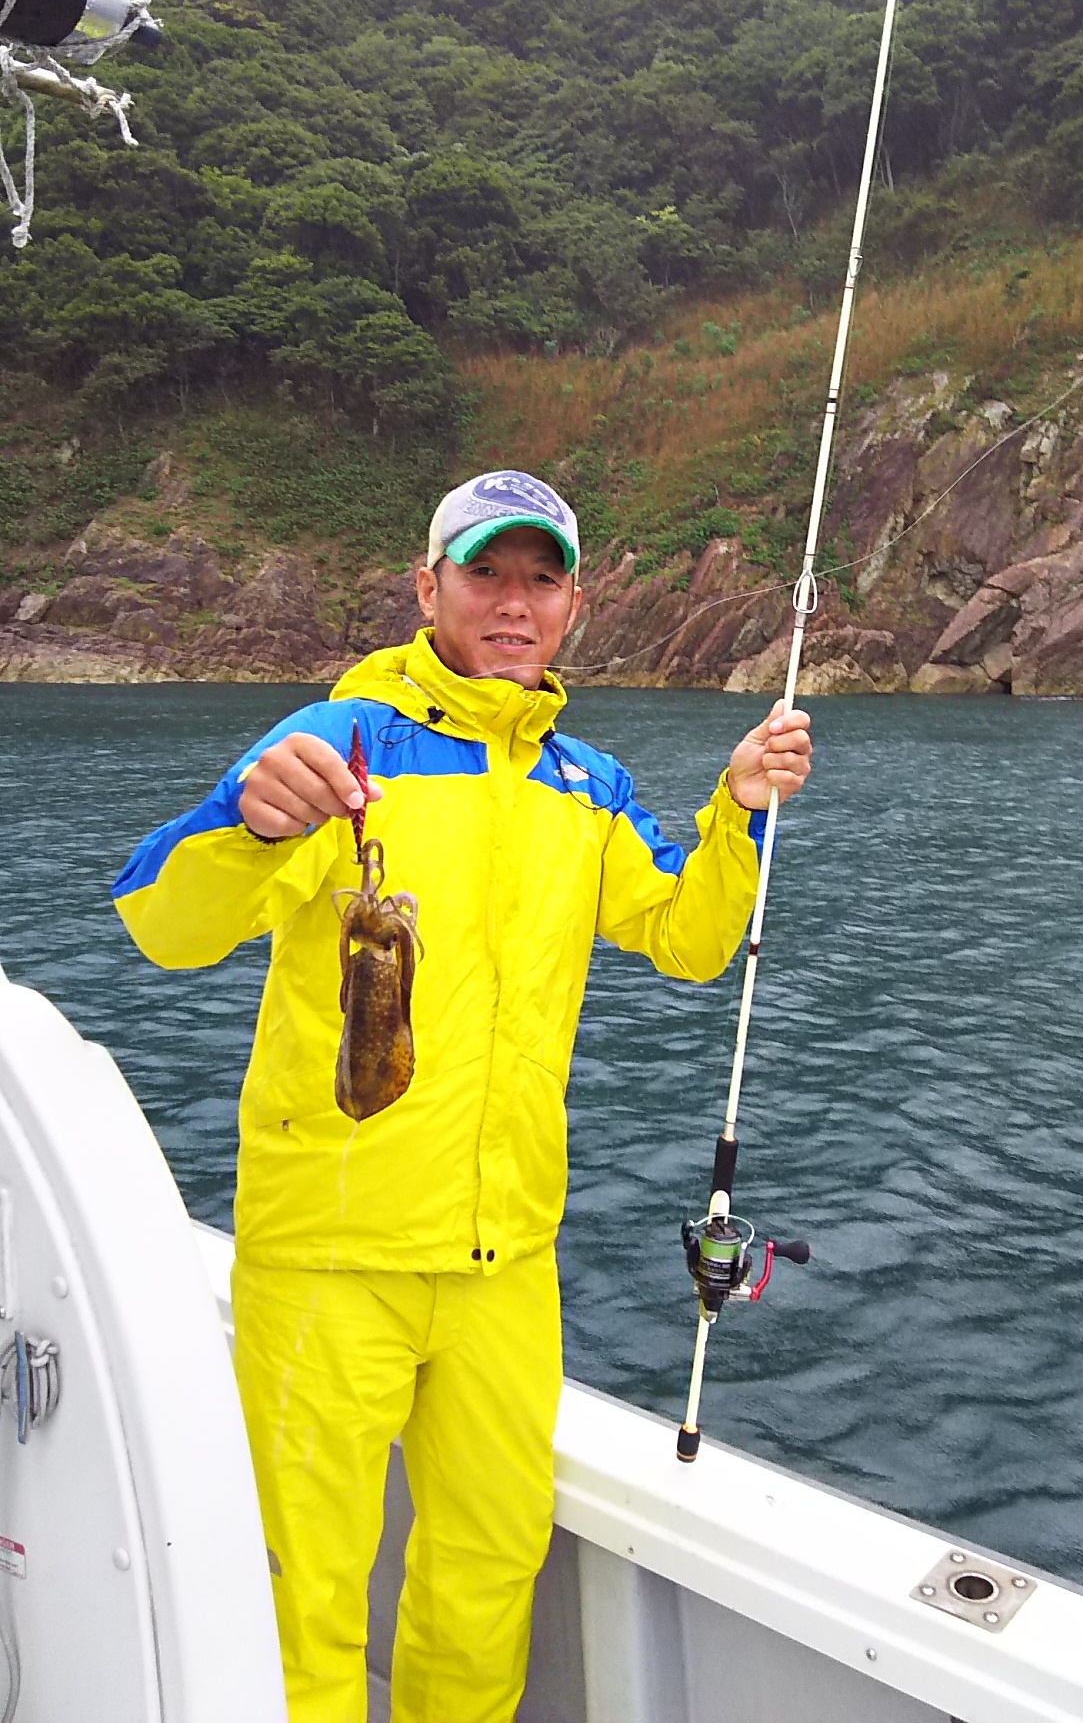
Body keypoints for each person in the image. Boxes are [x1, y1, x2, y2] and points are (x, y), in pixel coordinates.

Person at [112, 469, 812, 1723]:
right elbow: (165, 921)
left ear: (575, 608)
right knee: (300, 1588)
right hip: (332, 1250)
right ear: (426, 589)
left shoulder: (584, 784)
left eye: (540, 579)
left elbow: (692, 937)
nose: (512, 602)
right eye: (484, 572)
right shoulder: (336, 745)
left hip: (507, 1259)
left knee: (488, 1569)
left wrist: (740, 810)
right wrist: (252, 823)